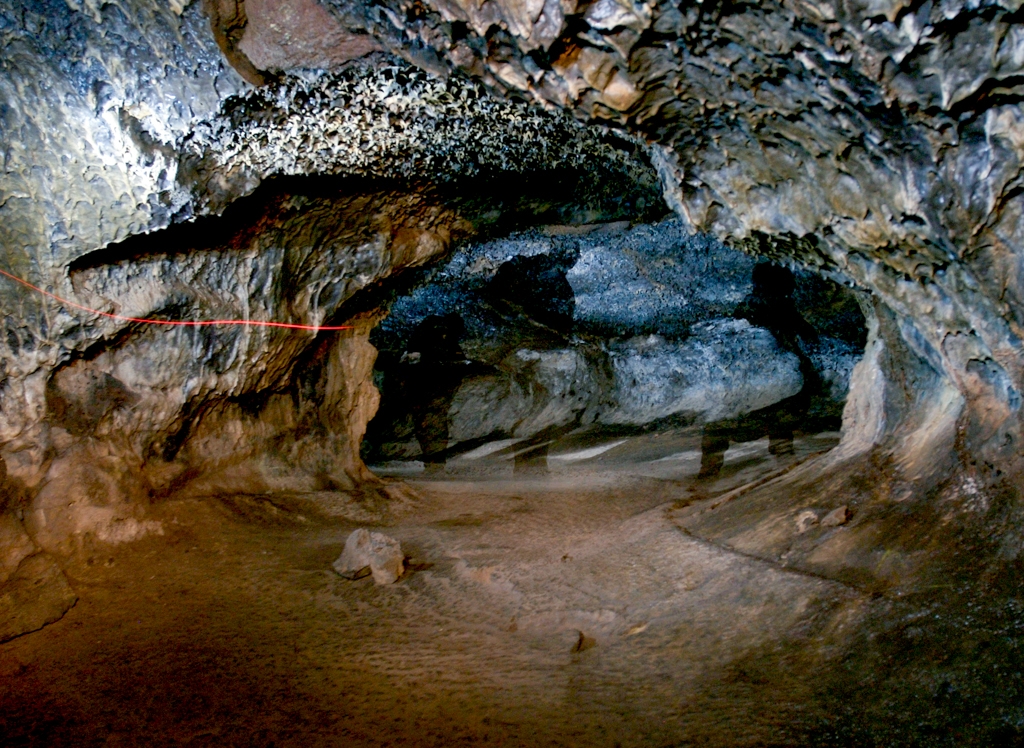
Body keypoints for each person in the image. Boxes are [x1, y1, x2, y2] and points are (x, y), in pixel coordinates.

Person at [697, 262, 821, 478]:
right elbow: (807, 335)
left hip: (744, 379)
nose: (792, 284)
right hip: (767, 378)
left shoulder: (748, 305)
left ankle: (709, 469)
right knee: (781, 411)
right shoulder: (778, 306)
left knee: (719, 426)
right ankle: (782, 453)